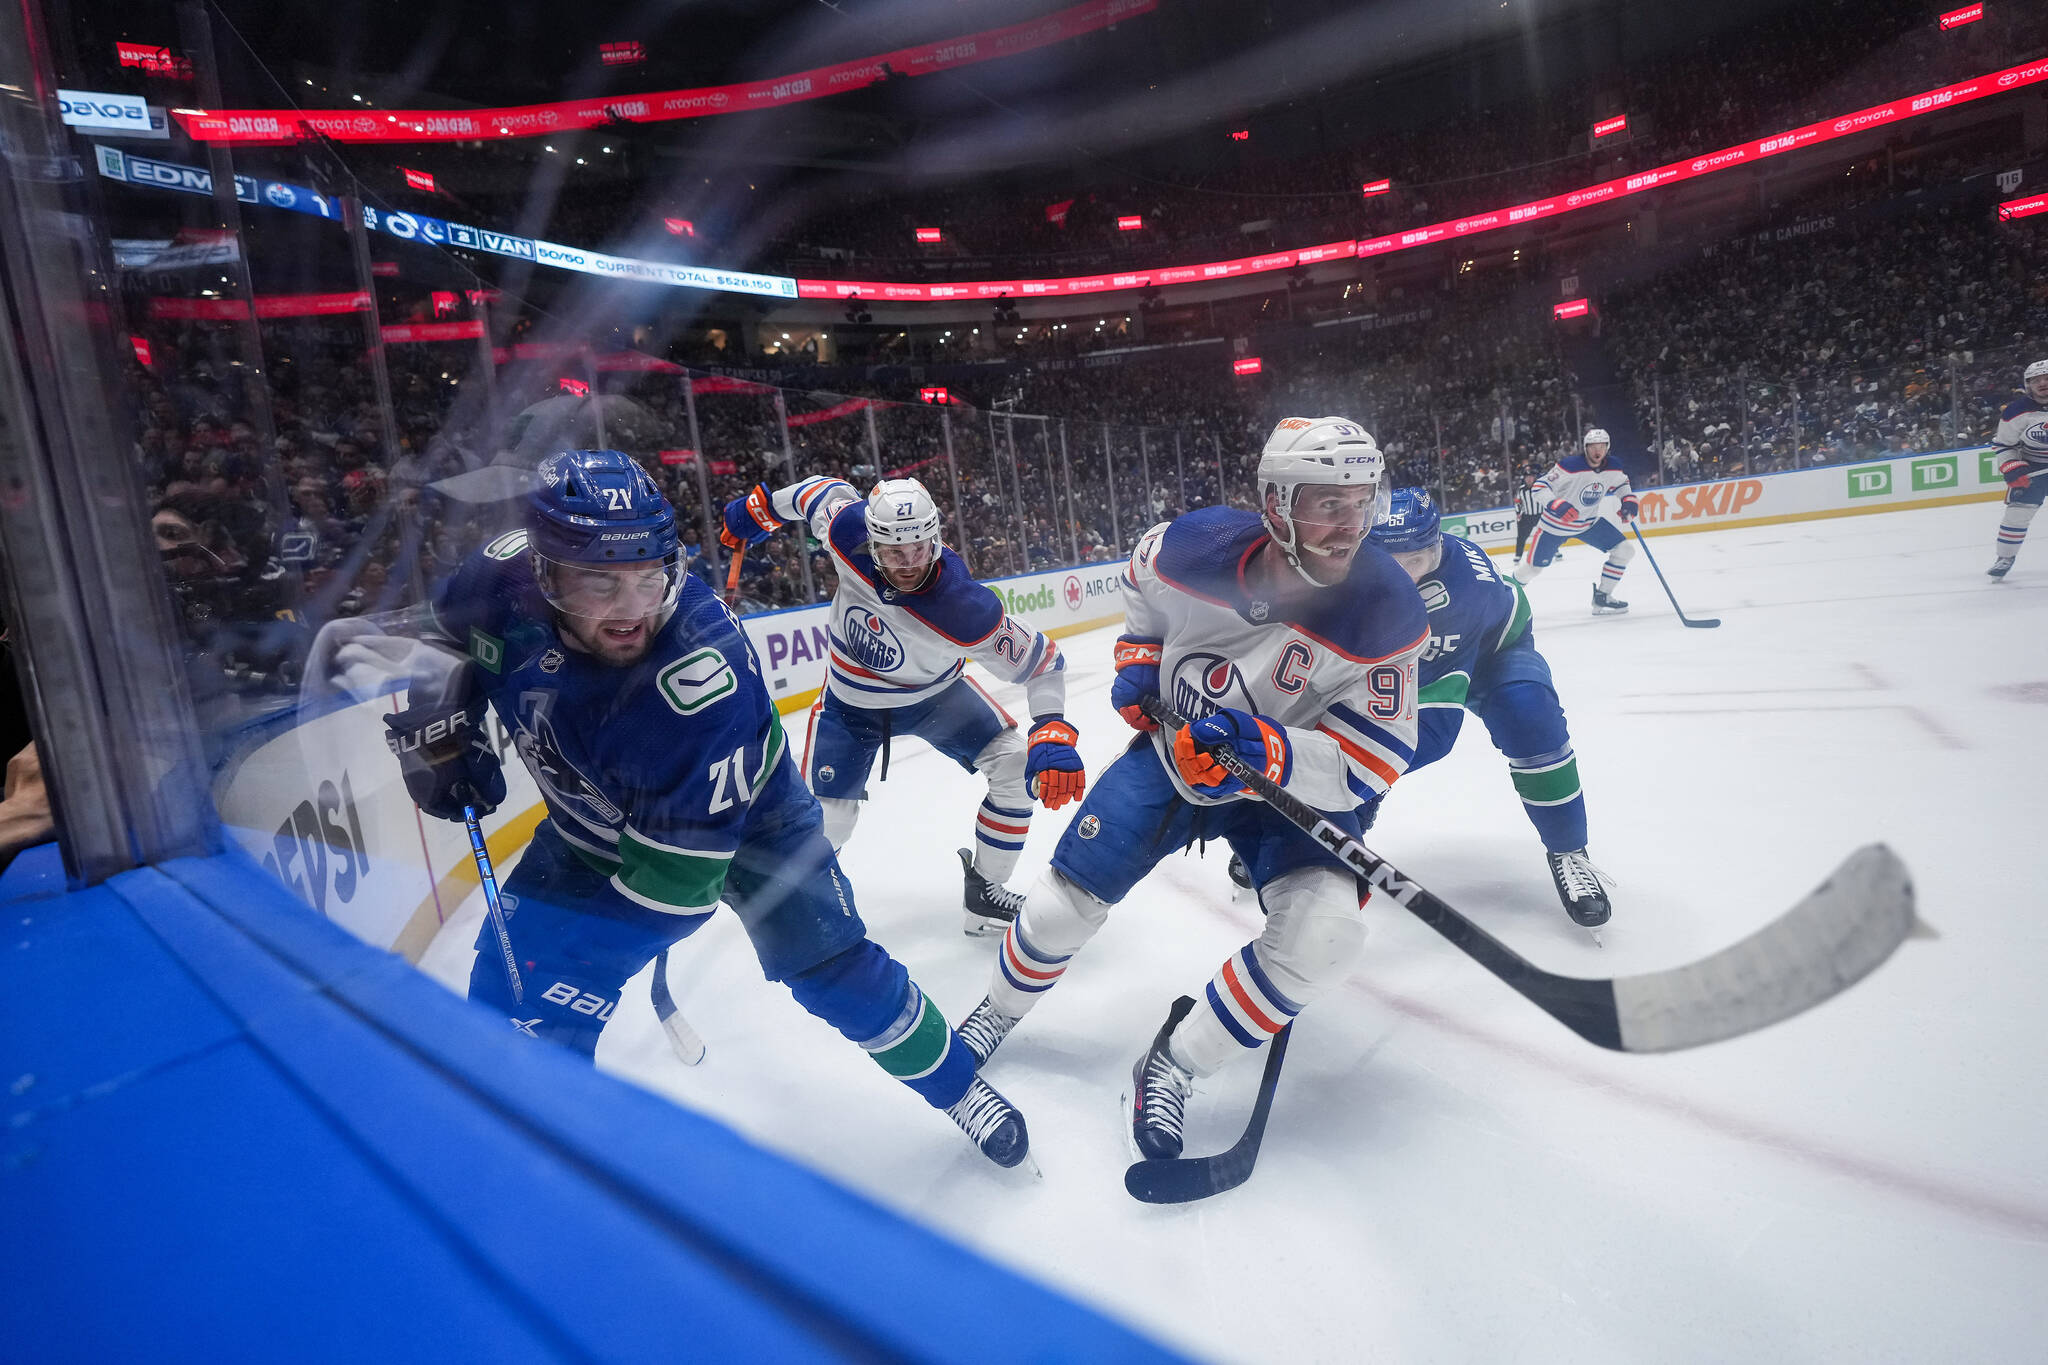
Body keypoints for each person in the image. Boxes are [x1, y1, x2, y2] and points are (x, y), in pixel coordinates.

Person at [383, 450, 1030, 1168]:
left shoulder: (698, 680)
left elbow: (678, 889)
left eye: (648, 578)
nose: (630, 610)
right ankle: (535, 1164)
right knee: (509, 989)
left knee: (834, 968)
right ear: (544, 570)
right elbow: (444, 636)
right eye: (599, 581)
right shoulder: (499, 571)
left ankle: (957, 1087)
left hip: (757, 823)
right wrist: (436, 720)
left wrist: (583, 964)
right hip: (587, 822)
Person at [952, 417, 1428, 1162]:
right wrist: (1141, 656)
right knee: (1055, 910)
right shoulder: (1192, 546)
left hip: (1282, 790)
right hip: (1173, 757)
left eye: (1362, 501)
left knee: (1327, 935)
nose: (1350, 526)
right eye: (1327, 504)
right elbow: (1139, 580)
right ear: (1275, 503)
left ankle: (1173, 1062)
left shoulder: (1387, 607)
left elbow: (1371, 763)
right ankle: (995, 1011)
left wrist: (1262, 748)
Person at [720, 474, 1085, 935]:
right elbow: (817, 491)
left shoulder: (964, 609)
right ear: (871, 543)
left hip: (939, 699)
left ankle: (985, 894)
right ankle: (802, 914)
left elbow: (1045, 662)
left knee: (1014, 765)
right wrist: (761, 510)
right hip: (850, 706)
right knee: (827, 823)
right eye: (894, 552)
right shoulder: (845, 533)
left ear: (935, 537)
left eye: (919, 548)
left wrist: (1052, 729)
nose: (909, 563)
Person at [1366, 488, 1610, 926]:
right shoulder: (1355, 567)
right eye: (1392, 562)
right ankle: (1301, 836)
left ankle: (1570, 851)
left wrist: (1359, 776)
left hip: (1495, 648)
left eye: (1416, 561)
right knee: (1361, 734)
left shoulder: (1461, 595)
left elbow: (1435, 728)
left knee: (1530, 719)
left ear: (1436, 546)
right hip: (1423, 650)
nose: (1404, 576)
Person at [1514, 428, 1640, 613]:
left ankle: (1602, 597)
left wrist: (1628, 501)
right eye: (1593, 447)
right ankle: (1504, 595)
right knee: (1532, 569)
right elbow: (1540, 486)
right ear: (1585, 448)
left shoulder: (1613, 465)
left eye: (1602, 446)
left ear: (1607, 447)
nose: (1597, 451)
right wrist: (1556, 504)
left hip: (1587, 523)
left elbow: (1621, 483)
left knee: (1625, 550)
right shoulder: (1570, 465)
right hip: (1555, 527)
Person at [1987, 359, 2048, 580]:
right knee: (2017, 514)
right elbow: (2004, 445)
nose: (2042, 383)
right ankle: (2005, 557)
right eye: (2036, 380)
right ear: (2028, 385)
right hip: (2032, 466)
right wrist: (2013, 469)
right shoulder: (2015, 411)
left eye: (2047, 378)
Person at [1513, 471, 1544, 564]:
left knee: (1547, 534)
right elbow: (1517, 501)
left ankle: (1555, 552)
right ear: (1524, 479)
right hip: (1526, 517)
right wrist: (1518, 512)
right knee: (1521, 537)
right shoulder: (1521, 489)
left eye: (1531, 477)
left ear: (1534, 478)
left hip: (1540, 515)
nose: (1529, 479)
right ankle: (1518, 556)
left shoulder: (1540, 487)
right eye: (1527, 477)